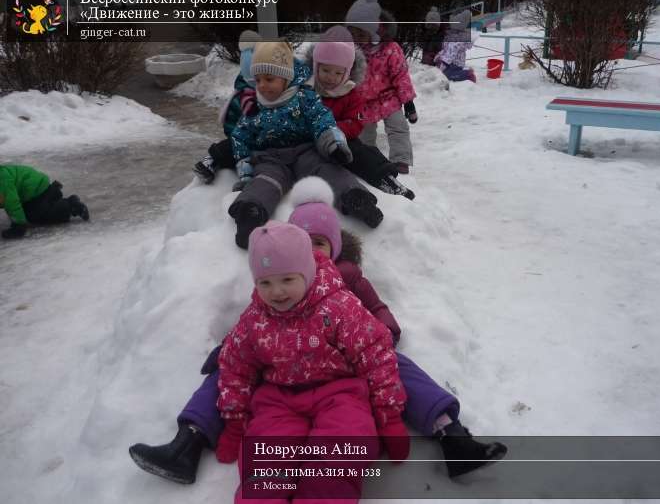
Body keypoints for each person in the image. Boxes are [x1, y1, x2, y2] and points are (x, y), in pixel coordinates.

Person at [129, 177, 507, 484]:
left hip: (348, 353)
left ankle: (450, 433)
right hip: (282, 363)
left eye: (320, 243)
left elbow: (375, 309)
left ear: (336, 245)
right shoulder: (278, 280)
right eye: (304, 244)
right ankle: (189, 441)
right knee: (228, 367)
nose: (312, 251)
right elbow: (256, 319)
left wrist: (382, 330)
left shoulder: (349, 276)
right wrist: (229, 345)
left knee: (393, 363)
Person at [216, 220, 408, 503]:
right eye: (265, 283)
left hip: (340, 395)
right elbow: (235, 367)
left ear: (306, 272)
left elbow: (376, 355)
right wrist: (234, 421)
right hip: (278, 401)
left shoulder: (339, 306)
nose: (277, 292)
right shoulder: (255, 319)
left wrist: (388, 417)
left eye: (287, 280)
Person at [227, 40, 383, 249]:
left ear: (286, 78)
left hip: (305, 150)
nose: (262, 85)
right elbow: (240, 136)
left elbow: (322, 119)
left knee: (327, 170)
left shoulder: (304, 97)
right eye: (258, 80)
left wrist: (333, 144)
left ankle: (355, 198)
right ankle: (251, 212)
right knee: (265, 181)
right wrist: (245, 168)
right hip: (271, 158)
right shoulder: (255, 106)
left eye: (269, 79)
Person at [307, 25, 415, 200]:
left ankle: (386, 176)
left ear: (346, 73)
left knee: (361, 150)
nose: (331, 77)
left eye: (338, 73)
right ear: (315, 66)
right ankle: (351, 193)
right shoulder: (306, 90)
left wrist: (334, 129)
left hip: (345, 132)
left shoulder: (350, 93)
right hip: (310, 141)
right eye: (325, 70)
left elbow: (355, 123)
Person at [345, 0, 418, 175]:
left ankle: (401, 160)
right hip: (364, 103)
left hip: (389, 98)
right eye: (352, 33)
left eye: (360, 34)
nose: (356, 39)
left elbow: (401, 76)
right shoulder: (351, 50)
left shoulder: (390, 49)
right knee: (363, 134)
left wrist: (408, 103)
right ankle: (368, 160)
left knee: (397, 126)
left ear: (374, 31)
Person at [193, 30, 261, 185]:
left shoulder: (249, 93)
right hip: (242, 140)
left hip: (257, 139)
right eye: (258, 80)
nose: (262, 85)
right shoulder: (245, 98)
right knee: (229, 149)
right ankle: (210, 163)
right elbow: (232, 126)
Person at [0, 164, 89, 239]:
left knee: (34, 215)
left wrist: (18, 226)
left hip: (38, 190)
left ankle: (70, 205)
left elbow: (12, 203)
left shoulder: (2, 181)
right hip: (28, 193)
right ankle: (52, 196)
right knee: (26, 213)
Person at [434, 11, 477, 83]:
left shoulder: (460, 40)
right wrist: (439, 55)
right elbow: (445, 49)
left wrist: (443, 62)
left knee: (446, 75)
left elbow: (451, 54)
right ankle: (458, 72)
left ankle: (468, 74)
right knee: (440, 72)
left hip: (456, 64)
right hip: (449, 62)